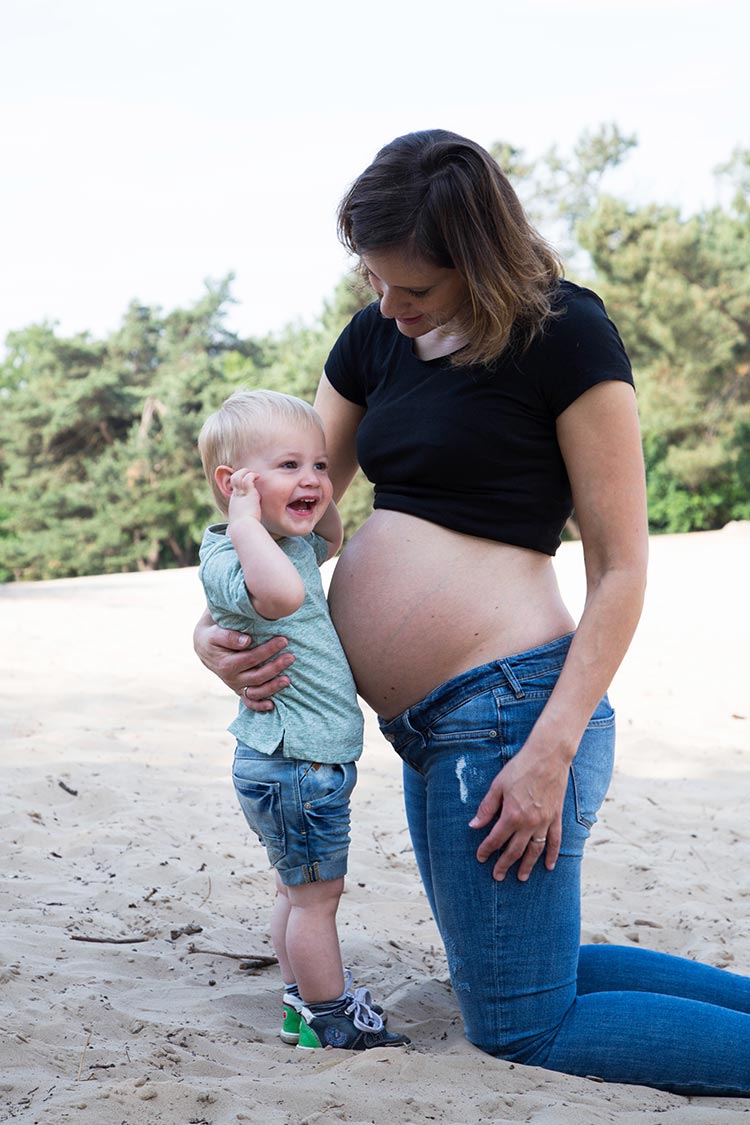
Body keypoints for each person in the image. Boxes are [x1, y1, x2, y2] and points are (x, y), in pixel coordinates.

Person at [194, 132, 750, 1095]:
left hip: (516, 712)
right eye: (375, 280)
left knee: (524, 1029)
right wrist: (213, 636)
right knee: (520, 979)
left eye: (415, 288)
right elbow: (292, 517)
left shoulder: (566, 335)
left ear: (479, 261)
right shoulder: (376, 340)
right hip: (429, 728)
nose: (388, 306)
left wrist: (551, 749)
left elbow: (620, 570)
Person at [197, 388, 409, 1052]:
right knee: (318, 897)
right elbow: (285, 594)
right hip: (295, 764)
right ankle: (329, 1013)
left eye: (319, 465)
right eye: (290, 465)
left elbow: (329, 537)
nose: (314, 479)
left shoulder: (277, 543)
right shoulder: (236, 554)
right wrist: (241, 522)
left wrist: (308, 500)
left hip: (299, 761)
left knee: (297, 892)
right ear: (234, 485)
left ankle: (299, 1001)